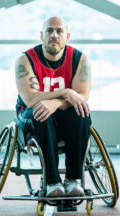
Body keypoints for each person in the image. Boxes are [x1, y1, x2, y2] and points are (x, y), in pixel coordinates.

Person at [15, 17, 91, 197]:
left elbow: (81, 97)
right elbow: (31, 99)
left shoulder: (80, 59)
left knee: (81, 111)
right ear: (41, 35)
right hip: (31, 116)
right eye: (49, 31)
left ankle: (73, 179)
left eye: (59, 31)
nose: (54, 35)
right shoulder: (24, 60)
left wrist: (57, 102)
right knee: (42, 112)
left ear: (68, 36)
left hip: (63, 116)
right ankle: (52, 181)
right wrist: (66, 92)